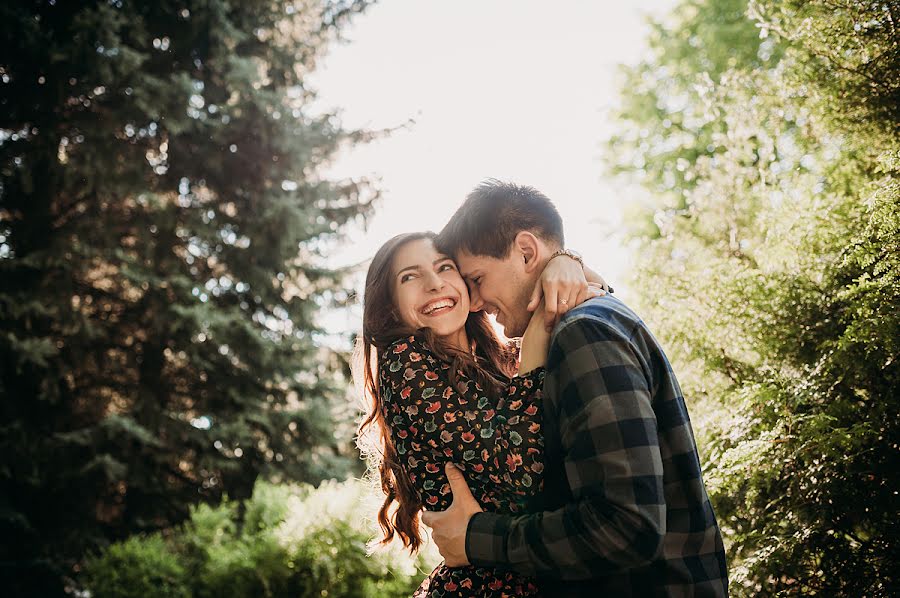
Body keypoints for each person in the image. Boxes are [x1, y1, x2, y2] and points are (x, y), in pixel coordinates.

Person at [421, 180, 729, 597]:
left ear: (526, 252)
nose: (473, 302)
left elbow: (627, 527)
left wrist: (478, 539)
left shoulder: (584, 335)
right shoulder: (589, 322)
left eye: (476, 279)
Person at [355, 231, 607, 597]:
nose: (434, 283)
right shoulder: (404, 362)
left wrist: (566, 261)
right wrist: (537, 338)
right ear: (391, 305)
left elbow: (590, 288)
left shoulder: (491, 363)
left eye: (444, 267)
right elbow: (523, 474)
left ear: (470, 287)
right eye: (409, 277)